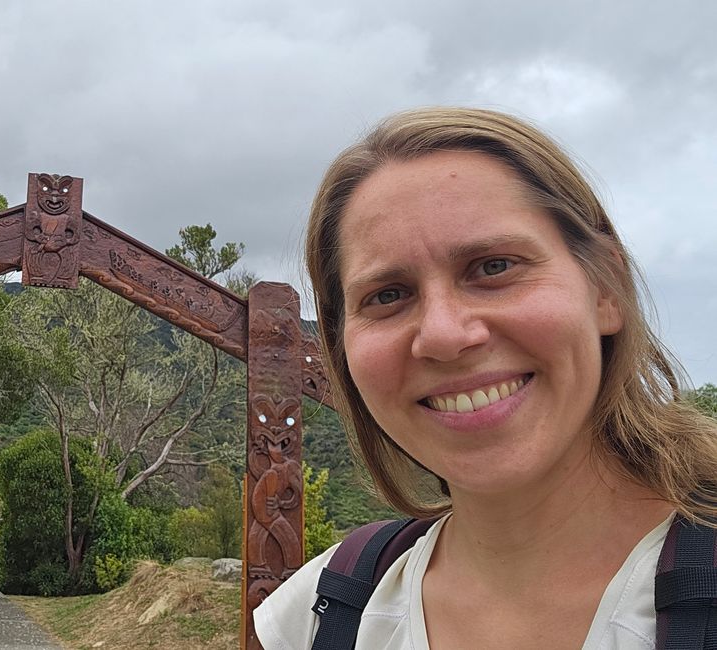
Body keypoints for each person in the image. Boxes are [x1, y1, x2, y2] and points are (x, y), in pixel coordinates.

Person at [253, 107, 717, 649]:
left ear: (605, 289)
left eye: (494, 266)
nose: (445, 335)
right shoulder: (317, 617)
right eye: (387, 296)